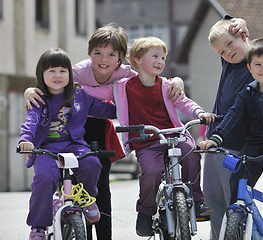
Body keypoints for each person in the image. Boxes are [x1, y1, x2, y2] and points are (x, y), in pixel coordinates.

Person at [23, 24, 185, 240]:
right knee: (49, 177)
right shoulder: (76, 73)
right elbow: (45, 92)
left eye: (111, 54)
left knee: (98, 177)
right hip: (67, 130)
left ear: (120, 58)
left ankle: (98, 224)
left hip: (94, 128)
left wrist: (177, 81)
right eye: (98, 53)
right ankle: (56, 228)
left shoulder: (124, 75)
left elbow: (148, 82)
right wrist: (29, 91)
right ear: (89, 53)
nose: (103, 59)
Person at [82, 36, 216, 237]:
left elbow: (184, 102)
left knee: (192, 153)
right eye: (154, 56)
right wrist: (66, 87)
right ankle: (145, 213)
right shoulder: (122, 87)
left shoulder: (167, 85)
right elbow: (94, 91)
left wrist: (199, 113)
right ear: (136, 60)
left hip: (174, 135)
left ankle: (196, 200)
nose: (160, 61)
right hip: (146, 142)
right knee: (151, 172)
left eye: (163, 58)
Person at [202, 17, 263, 239]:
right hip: (215, 139)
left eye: (230, 45)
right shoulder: (229, 62)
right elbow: (224, 24)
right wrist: (235, 20)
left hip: (236, 145)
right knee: (213, 201)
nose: (227, 52)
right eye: (221, 52)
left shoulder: (257, 66)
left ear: (243, 35)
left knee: (233, 201)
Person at [19, 48, 118, 240]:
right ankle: (38, 227)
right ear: (42, 74)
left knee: (92, 163)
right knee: (44, 179)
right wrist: (25, 140)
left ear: (70, 74)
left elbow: (104, 109)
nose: (58, 75)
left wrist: (129, 109)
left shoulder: (79, 94)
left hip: (73, 145)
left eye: (63, 71)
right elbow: (31, 121)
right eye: (52, 71)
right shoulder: (38, 98)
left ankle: (87, 198)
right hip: (45, 149)